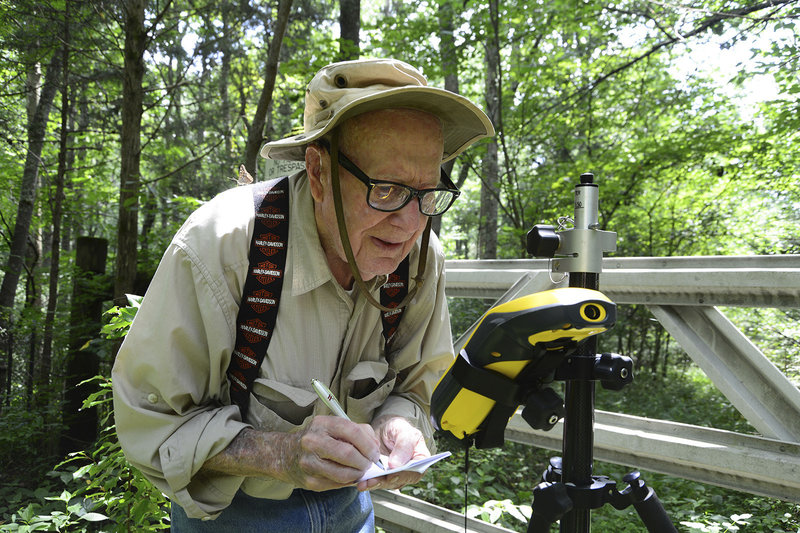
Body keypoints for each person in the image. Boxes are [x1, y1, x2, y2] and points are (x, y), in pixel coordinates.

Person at [112, 57, 494, 531]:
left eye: (427, 193)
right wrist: (280, 454)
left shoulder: (419, 258)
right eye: (388, 189)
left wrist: (402, 422)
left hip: (353, 509)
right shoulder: (225, 244)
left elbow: (418, 384)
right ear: (317, 172)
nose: (410, 223)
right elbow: (153, 423)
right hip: (231, 515)